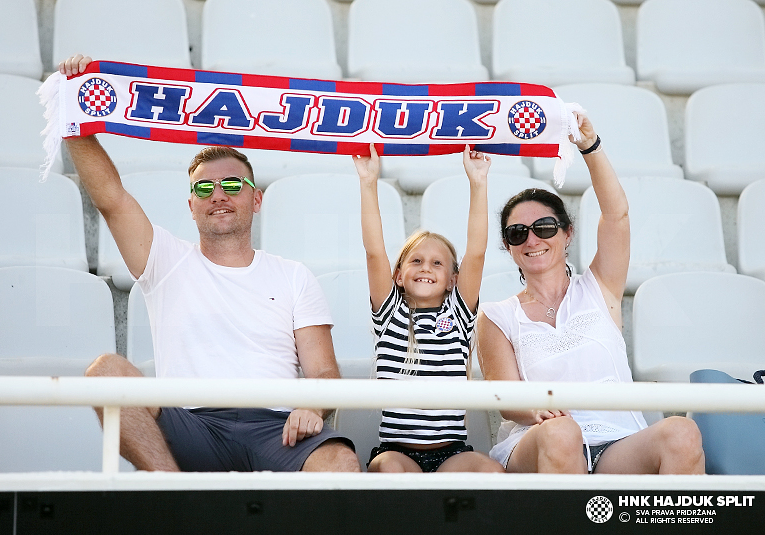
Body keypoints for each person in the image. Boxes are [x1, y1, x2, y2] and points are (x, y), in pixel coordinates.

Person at [59, 55, 360, 473]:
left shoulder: (294, 275)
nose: (218, 195)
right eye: (205, 187)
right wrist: (74, 109)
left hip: (276, 427)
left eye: (232, 185)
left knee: (340, 461)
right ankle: (170, 491)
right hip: (191, 424)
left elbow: (324, 371)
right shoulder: (165, 258)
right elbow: (110, 198)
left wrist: (311, 406)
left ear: (256, 200)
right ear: (192, 205)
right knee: (105, 371)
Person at [476, 113, 705, 475]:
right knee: (562, 433)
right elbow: (505, 399)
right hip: (539, 438)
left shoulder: (600, 287)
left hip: (620, 442)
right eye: (518, 233)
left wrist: (590, 146)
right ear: (508, 246)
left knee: (682, 431)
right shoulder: (497, 315)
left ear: (567, 234)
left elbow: (617, 216)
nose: (532, 240)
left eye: (544, 227)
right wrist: (537, 411)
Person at [353, 143, 504, 473]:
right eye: (416, 261)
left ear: (452, 279)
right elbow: (374, 252)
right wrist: (368, 183)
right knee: (391, 472)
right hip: (397, 452)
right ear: (398, 274)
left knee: (490, 472)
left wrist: (478, 183)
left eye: (437, 263)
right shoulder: (390, 312)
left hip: (452, 453)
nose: (425, 268)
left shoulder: (458, 313)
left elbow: (476, 254)